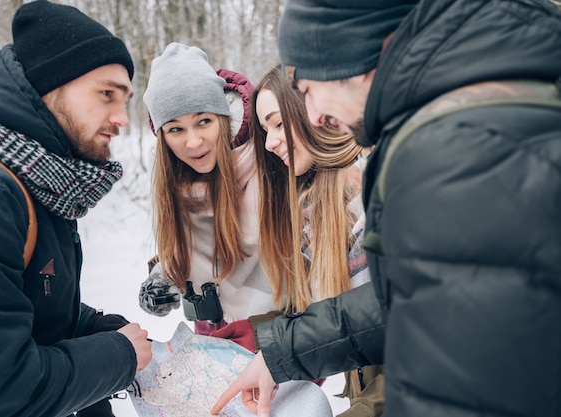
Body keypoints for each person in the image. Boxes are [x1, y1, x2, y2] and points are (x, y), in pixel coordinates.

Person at [212, 1, 561, 417]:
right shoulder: (446, 128)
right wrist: (280, 347)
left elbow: (464, 375)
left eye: (307, 90)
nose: (316, 114)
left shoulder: (461, 144)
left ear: (351, 55)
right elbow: (411, 299)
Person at [0, 2, 152, 417]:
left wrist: (91, 327)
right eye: (106, 93)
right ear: (48, 87)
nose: (122, 118)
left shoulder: (38, 180)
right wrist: (118, 354)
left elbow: (23, 300)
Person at [252, 66, 384, 417]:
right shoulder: (315, 205)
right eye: (265, 130)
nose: (269, 142)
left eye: (278, 123)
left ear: (313, 112)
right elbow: (329, 318)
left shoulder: (365, 198)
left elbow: (413, 333)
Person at [139, 43, 286, 340]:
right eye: (175, 129)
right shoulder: (178, 181)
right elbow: (195, 251)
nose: (193, 142)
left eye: (203, 121)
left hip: (276, 336)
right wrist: (164, 276)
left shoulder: (271, 158)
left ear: (222, 116)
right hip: (212, 340)